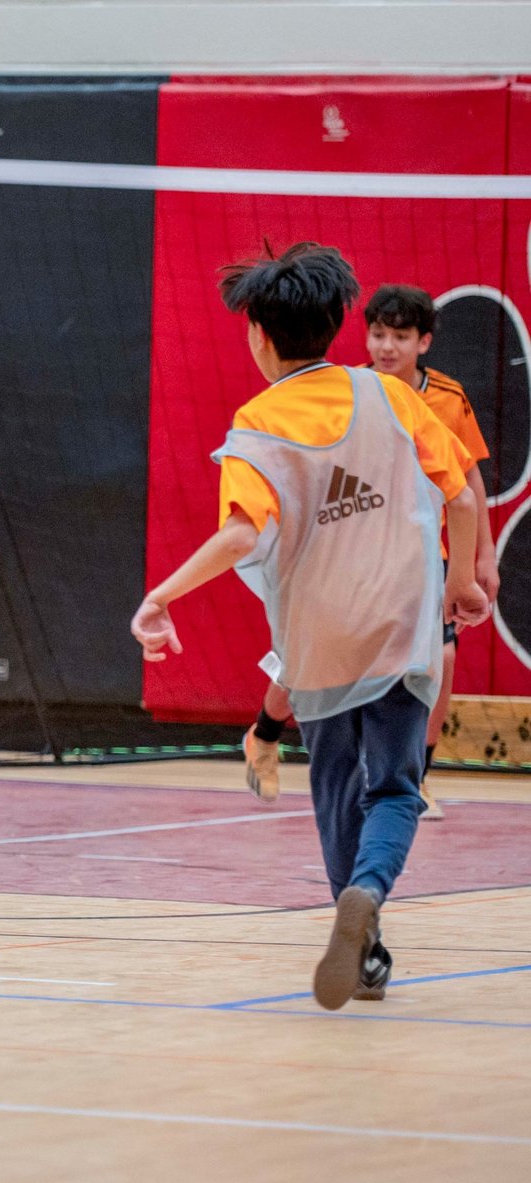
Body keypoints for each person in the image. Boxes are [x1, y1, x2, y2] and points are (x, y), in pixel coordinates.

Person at [132, 242, 486, 1009]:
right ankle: (368, 892)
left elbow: (238, 536)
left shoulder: (256, 424)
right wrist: (459, 585)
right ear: (336, 326)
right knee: (394, 789)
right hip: (401, 627)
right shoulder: (393, 397)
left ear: (259, 334)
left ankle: (359, 940)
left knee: (333, 787)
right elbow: (461, 496)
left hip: (316, 640)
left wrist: (160, 595)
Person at [243, 285, 501, 817]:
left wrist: (482, 559)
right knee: (311, 659)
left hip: (414, 560)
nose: (386, 347)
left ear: (424, 342)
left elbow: (467, 479)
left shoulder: (446, 400)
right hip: (348, 551)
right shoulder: (352, 391)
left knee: (440, 658)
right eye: (377, 334)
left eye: (400, 336)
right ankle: (265, 734)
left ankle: (415, 776)